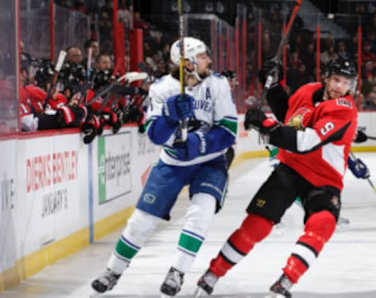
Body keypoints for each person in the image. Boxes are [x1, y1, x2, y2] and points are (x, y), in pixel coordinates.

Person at [194, 58, 358, 298]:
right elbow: (288, 115)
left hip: (323, 179)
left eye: (345, 83)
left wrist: (266, 125)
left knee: (323, 222)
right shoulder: (307, 91)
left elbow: (305, 141)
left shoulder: (344, 108)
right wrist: (272, 86)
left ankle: (286, 280)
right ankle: (213, 273)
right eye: (335, 80)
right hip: (291, 168)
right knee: (256, 224)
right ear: (326, 78)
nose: (339, 87)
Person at [91, 37, 238, 296]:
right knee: (141, 221)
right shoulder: (162, 88)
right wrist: (170, 117)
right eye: (203, 56)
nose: (210, 61)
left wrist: (197, 142)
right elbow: (155, 136)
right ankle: (113, 270)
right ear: (188, 62)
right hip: (172, 162)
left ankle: (178, 271)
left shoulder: (217, 84)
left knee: (201, 211)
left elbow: (229, 131)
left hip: (210, 161)